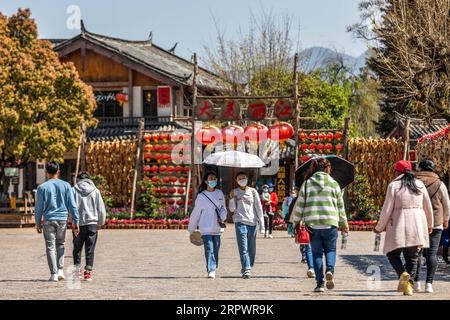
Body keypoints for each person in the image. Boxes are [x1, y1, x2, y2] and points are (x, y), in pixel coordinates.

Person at [374, 160, 433, 296]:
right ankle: (409, 285)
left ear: (397, 171)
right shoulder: (419, 184)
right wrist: (429, 224)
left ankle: (403, 274)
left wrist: (379, 227)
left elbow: (387, 209)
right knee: (412, 257)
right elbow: (427, 206)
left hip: (398, 223)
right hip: (417, 223)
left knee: (392, 253)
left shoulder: (394, 185)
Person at [292, 157, 349, 293]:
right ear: (327, 168)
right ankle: (329, 270)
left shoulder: (307, 184)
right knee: (330, 250)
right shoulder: (334, 184)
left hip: (313, 224)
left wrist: (295, 222)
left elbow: (299, 206)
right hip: (330, 223)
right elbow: (340, 207)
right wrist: (344, 224)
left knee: (317, 254)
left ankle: (320, 284)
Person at [35, 161, 79, 282]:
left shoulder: (42, 187)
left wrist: (38, 222)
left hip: (49, 219)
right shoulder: (66, 186)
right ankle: (60, 270)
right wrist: (76, 220)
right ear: (58, 171)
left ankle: (53, 274)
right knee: (61, 244)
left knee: (50, 247)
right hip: (62, 219)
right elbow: (73, 205)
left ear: (47, 172)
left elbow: (38, 207)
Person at [413, 159, 450, 293]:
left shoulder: (414, 182)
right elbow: (446, 204)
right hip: (435, 222)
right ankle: (429, 284)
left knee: (417, 253)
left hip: (417, 222)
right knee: (432, 254)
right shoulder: (439, 184)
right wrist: (446, 219)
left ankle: (416, 282)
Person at [188, 172, 227, 279]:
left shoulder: (219, 193)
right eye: (211, 179)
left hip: (217, 227)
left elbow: (223, 208)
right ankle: (211, 269)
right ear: (206, 181)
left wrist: (222, 217)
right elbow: (196, 213)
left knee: (216, 249)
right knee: (209, 248)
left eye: (215, 178)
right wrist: (192, 228)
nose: (213, 180)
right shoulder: (201, 196)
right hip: (205, 227)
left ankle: (213, 266)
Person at [72, 172, 107, 282]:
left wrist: (71, 220)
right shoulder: (95, 191)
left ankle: (77, 272)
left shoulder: (73, 190)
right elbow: (101, 209)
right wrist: (100, 222)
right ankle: (88, 273)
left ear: (78, 179)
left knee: (77, 248)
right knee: (90, 248)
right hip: (92, 223)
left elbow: (71, 207)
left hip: (78, 224)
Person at [229, 172, 264, 279]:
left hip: (252, 222)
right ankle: (247, 268)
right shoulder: (234, 192)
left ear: (247, 178)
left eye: (244, 177)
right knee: (243, 247)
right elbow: (232, 209)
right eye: (240, 178)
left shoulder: (253, 192)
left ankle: (247, 265)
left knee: (251, 248)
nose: (242, 179)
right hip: (240, 222)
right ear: (236, 180)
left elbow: (259, 208)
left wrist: (262, 225)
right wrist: (231, 198)